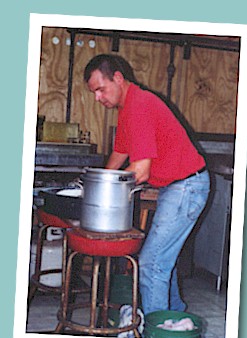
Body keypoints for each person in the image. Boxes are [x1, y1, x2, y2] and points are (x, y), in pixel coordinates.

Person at [84, 54, 210, 316]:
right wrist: (98, 183)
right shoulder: (127, 108)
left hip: (187, 188)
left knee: (152, 263)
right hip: (178, 188)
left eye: (100, 89)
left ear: (117, 78)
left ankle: (157, 337)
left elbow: (139, 171)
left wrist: (100, 190)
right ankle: (174, 319)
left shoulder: (139, 105)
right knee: (163, 260)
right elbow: (120, 153)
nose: (97, 98)